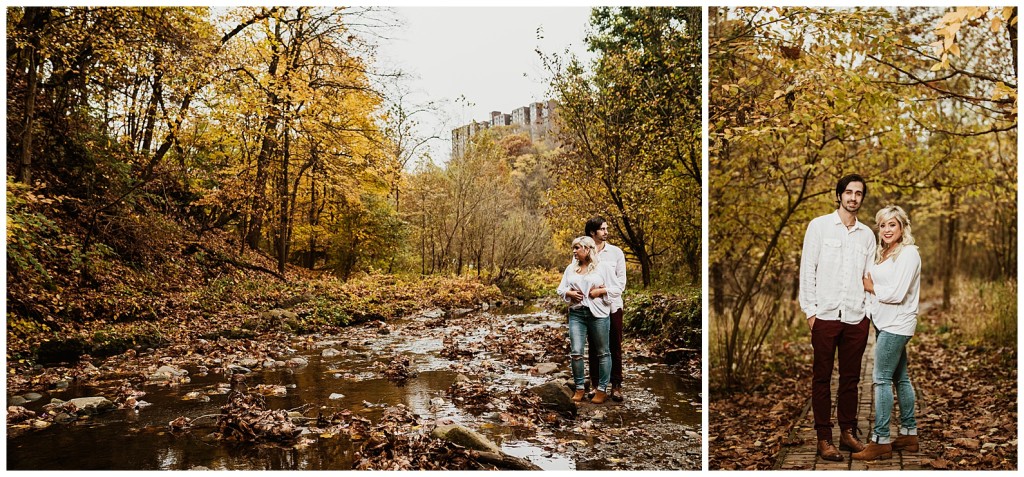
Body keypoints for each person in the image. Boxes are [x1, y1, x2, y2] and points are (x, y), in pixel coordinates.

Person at [799, 174, 876, 461]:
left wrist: (867, 313)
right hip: (826, 315)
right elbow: (808, 270)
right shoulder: (819, 227)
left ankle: (847, 433)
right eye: (849, 192)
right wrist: (812, 312)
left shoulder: (867, 235)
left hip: (856, 317)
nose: (853, 197)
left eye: (858, 193)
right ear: (839, 195)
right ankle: (823, 438)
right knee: (821, 378)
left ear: (862, 198)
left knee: (850, 379)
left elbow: (869, 276)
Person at [853, 205, 921, 460]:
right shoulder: (883, 253)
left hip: (897, 324)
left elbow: (897, 293)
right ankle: (908, 434)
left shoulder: (909, 254)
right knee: (900, 378)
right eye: (882, 225)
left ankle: (880, 439)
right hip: (883, 323)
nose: (887, 229)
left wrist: (871, 288)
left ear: (902, 227)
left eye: (892, 224)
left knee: (880, 378)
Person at [556, 236, 621, 404]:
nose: (574, 251)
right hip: (577, 314)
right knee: (576, 352)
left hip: (598, 314)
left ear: (588, 249)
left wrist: (601, 292)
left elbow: (617, 289)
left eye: (577, 248)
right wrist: (569, 294)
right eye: (574, 248)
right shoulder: (571, 268)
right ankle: (579, 388)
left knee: (603, 352)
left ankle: (602, 389)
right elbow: (560, 289)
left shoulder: (603, 267)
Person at [584, 217, 627, 401]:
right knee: (594, 346)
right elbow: (578, 278)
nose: (606, 232)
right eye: (602, 229)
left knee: (614, 345)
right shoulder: (583, 251)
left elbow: (621, 283)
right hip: (593, 308)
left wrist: (602, 291)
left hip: (613, 306)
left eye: (606, 228)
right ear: (592, 233)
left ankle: (616, 386)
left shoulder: (616, 253)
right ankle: (596, 385)